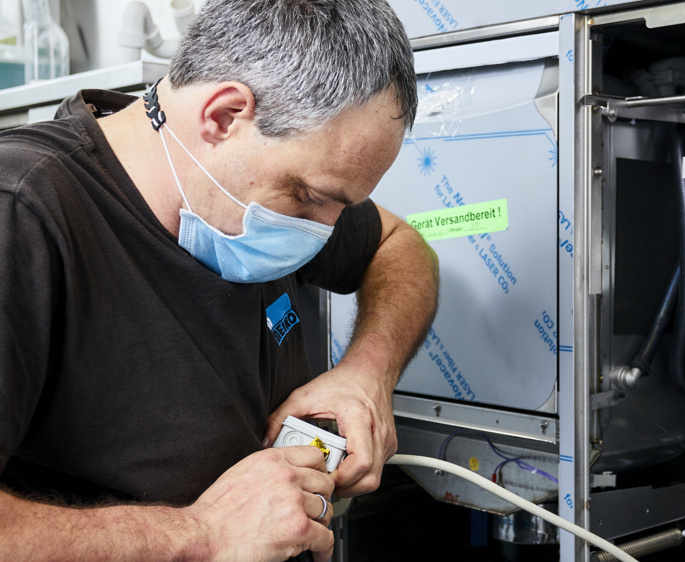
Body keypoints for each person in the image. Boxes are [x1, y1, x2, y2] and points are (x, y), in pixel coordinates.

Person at [0, 1, 438, 560]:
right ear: (225, 116)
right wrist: (199, 536)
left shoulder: (258, 179)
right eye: (310, 197)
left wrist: (366, 373)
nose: (326, 232)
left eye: (340, 205)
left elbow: (401, 247)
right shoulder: (25, 214)